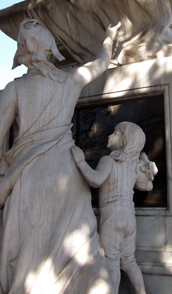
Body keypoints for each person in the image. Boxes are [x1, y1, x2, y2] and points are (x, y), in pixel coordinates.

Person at [0, 18, 120, 294]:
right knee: (75, 253)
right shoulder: (71, 80)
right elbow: (102, 62)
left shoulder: (15, 89)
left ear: (22, 52)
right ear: (49, 50)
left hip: (29, 178)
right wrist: (109, 37)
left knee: (28, 259)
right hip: (69, 178)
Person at [71, 122, 158, 294]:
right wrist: (146, 166)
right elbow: (147, 187)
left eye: (114, 133)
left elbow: (95, 180)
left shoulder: (108, 161)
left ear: (123, 140)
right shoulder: (133, 166)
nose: (109, 136)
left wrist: (80, 162)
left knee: (111, 261)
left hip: (112, 217)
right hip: (129, 218)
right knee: (129, 261)